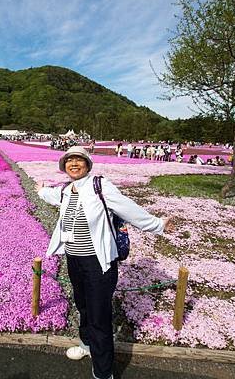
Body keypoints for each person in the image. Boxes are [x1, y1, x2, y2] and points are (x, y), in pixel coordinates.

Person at [36, 146, 174, 379]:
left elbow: (128, 208)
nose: (74, 164)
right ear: (64, 167)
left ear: (88, 165)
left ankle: (103, 372)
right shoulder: (66, 190)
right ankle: (87, 345)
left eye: (79, 160)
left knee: (99, 315)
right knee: (83, 306)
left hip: (98, 263)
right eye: (69, 161)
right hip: (74, 260)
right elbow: (52, 196)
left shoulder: (100, 186)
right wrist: (41, 191)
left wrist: (158, 224)